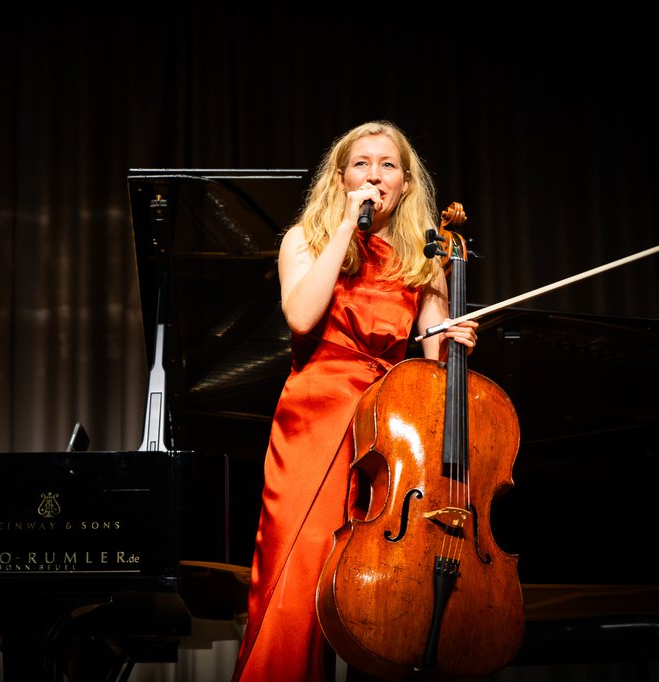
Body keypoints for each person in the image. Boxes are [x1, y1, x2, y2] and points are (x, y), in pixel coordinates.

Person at [230, 121, 479, 682]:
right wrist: (347, 225)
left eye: (388, 164)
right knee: (297, 574)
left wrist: (455, 342)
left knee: (385, 588)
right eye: (361, 163)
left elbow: (435, 361)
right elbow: (301, 316)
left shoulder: (423, 259)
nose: (374, 174)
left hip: (391, 428)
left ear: (407, 183)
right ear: (341, 178)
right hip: (316, 418)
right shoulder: (307, 240)